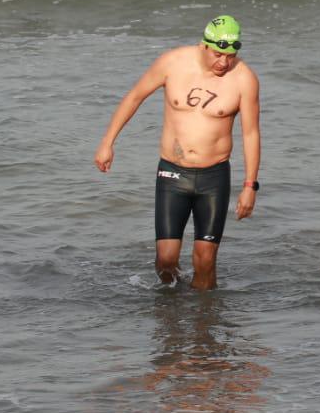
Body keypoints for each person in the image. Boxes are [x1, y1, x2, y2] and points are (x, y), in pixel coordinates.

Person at [93, 16, 262, 290]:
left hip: (214, 177)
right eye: (218, 54)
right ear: (203, 46)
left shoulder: (244, 79)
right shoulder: (172, 63)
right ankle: (174, 309)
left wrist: (249, 185)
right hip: (172, 173)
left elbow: (251, 133)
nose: (224, 62)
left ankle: (205, 323)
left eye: (231, 56)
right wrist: (107, 142)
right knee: (166, 261)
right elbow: (135, 96)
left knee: (205, 260)